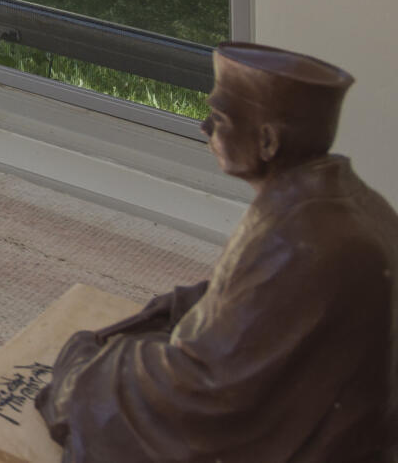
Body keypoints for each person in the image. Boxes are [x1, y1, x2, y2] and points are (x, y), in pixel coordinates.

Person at [37, 43, 398, 461]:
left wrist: (104, 371)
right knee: (147, 328)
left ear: (267, 141)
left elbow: (211, 394)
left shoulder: (302, 239)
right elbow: (255, 303)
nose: (205, 126)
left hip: (321, 438)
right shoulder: (341, 201)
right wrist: (181, 310)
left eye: (221, 117)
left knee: (92, 375)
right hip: (324, 402)